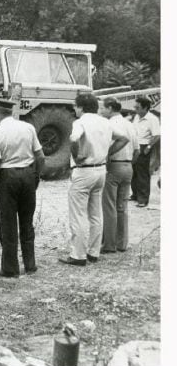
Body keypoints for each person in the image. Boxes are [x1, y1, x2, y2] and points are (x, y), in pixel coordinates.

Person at [59, 94, 128, 267]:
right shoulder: (105, 122)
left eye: (75, 106)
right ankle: (93, 252)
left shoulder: (80, 122)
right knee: (96, 213)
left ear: (81, 107)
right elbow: (123, 138)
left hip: (84, 170)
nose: (75, 109)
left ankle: (78, 255)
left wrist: (76, 156)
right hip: (100, 170)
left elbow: (73, 139)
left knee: (78, 214)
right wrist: (108, 153)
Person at [0, 100, 45, 278]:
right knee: (27, 221)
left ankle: (10, 268)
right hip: (28, 175)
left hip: (7, 178)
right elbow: (40, 157)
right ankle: (30, 265)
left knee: (8, 224)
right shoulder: (28, 128)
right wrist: (35, 176)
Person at [100, 97, 139, 253]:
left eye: (102, 108)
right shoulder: (130, 124)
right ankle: (122, 243)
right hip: (128, 165)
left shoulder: (109, 125)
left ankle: (109, 244)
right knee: (122, 206)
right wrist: (129, 164)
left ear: (110, 108)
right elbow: (137, 151)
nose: (101, 111)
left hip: (113, 166)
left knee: (109, 206)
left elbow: (107, 148)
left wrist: (108, 158)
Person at [131, 97, 160, 208]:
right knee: (134, 171)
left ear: (145, 108)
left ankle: (143, 199)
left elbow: (156, 135)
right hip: (135, 146)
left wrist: (148, 146)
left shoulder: (152, 119)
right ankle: (135, 194)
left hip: (144, 146)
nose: (135, 109)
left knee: (142, 172)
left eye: (137, 107)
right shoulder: (136, 117)